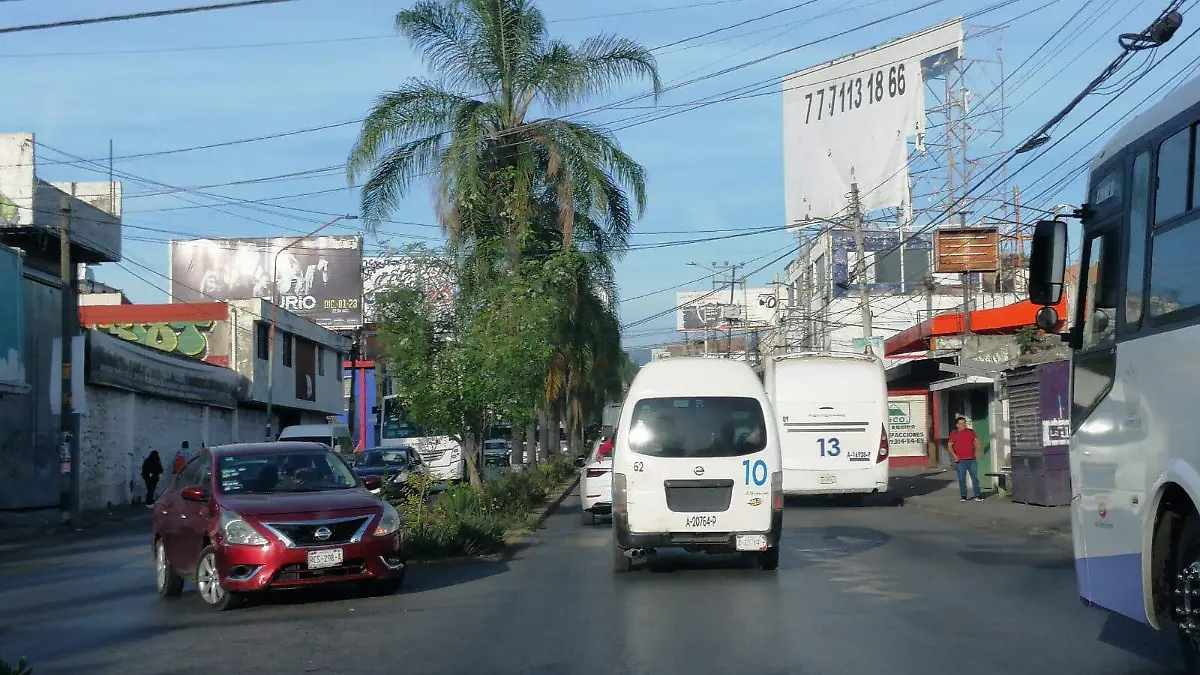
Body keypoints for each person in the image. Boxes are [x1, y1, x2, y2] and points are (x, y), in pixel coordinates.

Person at [948, 416, 984, 502]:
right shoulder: (954, 433)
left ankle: (977, 495)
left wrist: (979, 451)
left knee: (975, 478)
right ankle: (963, 496)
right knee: (961, 479)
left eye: (964, 423)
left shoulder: (970, 432)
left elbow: (976, 441)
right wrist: (954, 455)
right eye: (961, 423)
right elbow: (949, 446)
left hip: (972, 459)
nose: (963, 425)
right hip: (961, 461)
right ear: (957, 425)